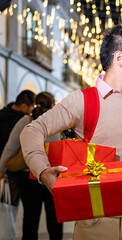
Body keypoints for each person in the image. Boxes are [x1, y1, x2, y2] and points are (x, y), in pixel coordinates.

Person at [20, 25, 122, 240]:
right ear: (120, 58)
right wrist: (43, 171)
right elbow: (32, 130)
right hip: (95, 221)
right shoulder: (82, 101)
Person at [0, 92, 63, 240]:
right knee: (55, 217)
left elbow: (10, 147)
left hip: (28, 176)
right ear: (53, 105)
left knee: (30, 218)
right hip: (53, 175)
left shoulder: (26, 121)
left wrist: (1, 169)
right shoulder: (58, 121)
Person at [0, 90, 35, 206]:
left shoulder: (2, 113)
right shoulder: (22, 121)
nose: (32, 110)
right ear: (24, 105)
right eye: (31, 107)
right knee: (9, 204)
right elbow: (11, 147)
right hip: (11, 166)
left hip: (4, 163)